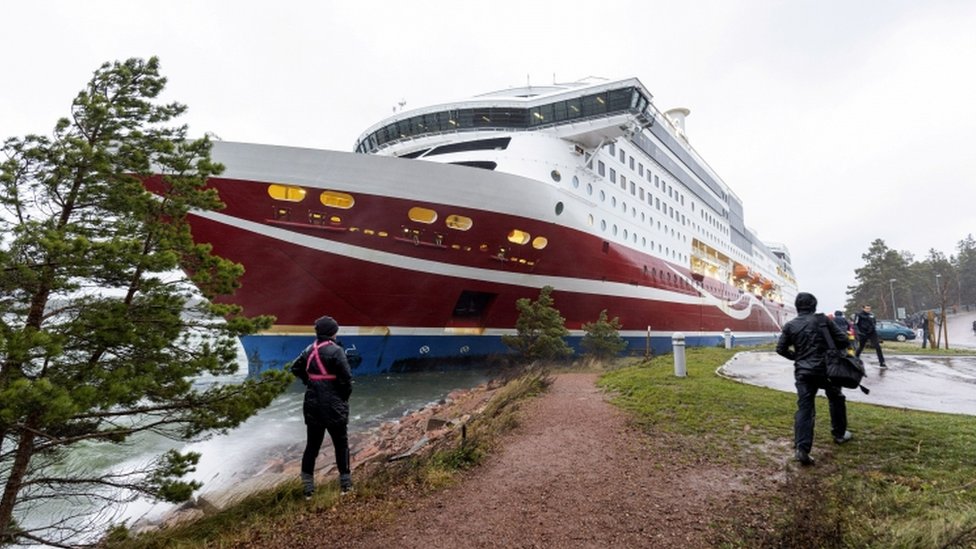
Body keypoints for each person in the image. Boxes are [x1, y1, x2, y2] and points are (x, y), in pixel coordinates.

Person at [776, 292, 853, 466]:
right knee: (836, 399)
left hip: (804, 372)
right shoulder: (823, 321)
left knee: (805, 407)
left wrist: (798, 358)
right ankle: (839, 434)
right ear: (814, 306)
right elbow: (843, 340)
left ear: (797, 307)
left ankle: (802, 449)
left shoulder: (790, 325)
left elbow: (780, 349)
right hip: (827, 370)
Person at [290, 315, 353, 497]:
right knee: (341, 444)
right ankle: (346, 486)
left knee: (312, 446)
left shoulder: (309, 349)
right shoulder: (337, 350)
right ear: (334, 332)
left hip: (312, 403)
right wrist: (343, 397)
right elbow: (346, 379)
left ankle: (308, 489)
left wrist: (309, 382)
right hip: (333, 404)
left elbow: (295, 368)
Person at [853, 304, 886, 368]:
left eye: (869, 308)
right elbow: (855, 324)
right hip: (862, 333)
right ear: (863, 308)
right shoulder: (859, 315)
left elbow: (874, 322)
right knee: (861, 346)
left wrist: (872, 328)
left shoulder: (872, 315)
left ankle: (882, 362)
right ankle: (855, 358)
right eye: (867, 308)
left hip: (872, 332)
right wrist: (858, 332)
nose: (868, 310)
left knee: (878, 347)